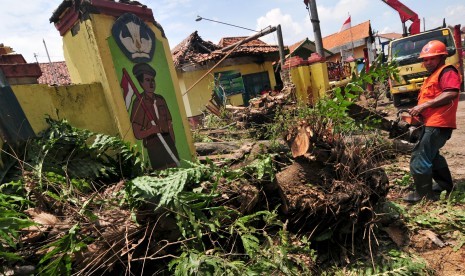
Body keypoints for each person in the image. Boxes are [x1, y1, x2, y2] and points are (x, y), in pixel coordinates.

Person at [403, 40, 461, 203]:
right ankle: (445, 186)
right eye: (425, 59)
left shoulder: (447, 71)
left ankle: (424, 195)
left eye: (432, 59)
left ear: (442, 57)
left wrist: (425, 105)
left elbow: (451, 93)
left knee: (419, 156)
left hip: (439, 123)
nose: (428, 62)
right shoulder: (432, 76)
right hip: (431, 122)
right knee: (433, 156)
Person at [130, 63, 180, 170]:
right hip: (153, 144)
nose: (151, 83)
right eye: (147, 80)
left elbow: (169, 123)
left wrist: (172, 142)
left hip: (167, 140)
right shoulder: (139, 103)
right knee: (161, 173)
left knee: (175, 170)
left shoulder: (160, 99)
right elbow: (137, 134)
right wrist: (151, 131)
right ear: (141, 83)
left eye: (153, 80)